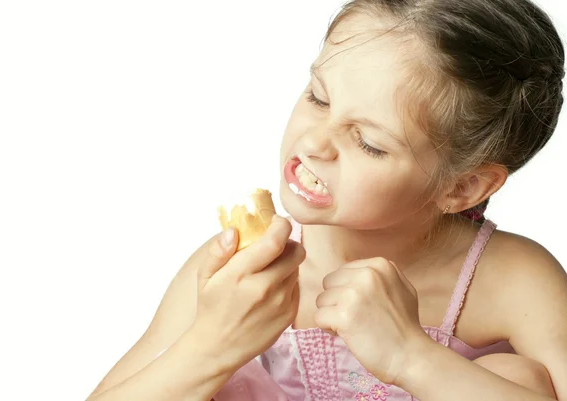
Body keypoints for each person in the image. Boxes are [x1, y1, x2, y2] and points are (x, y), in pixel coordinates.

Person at [86, 0, 567, 400]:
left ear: (460, 187)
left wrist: (411, 356)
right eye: (318, 97)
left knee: (519, 382)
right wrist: (211, 344)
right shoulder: (238, 273)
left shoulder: (513, 280)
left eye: (369, 142)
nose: (315, 143)